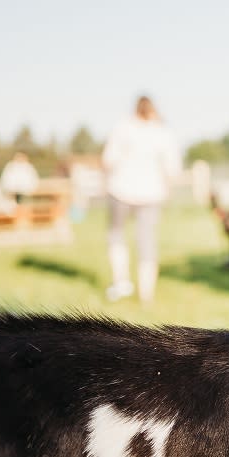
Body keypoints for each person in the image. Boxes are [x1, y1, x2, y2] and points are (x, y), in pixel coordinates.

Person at [101, 95, 182, 303]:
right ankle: (147, 294)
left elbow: (108, 159)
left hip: (120, 189)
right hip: (152, 194)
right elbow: (173, 168)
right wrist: (167, 188)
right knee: (147, 242)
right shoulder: (163, 131)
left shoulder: (123, 126)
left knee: (117, 235)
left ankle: (121, 282)